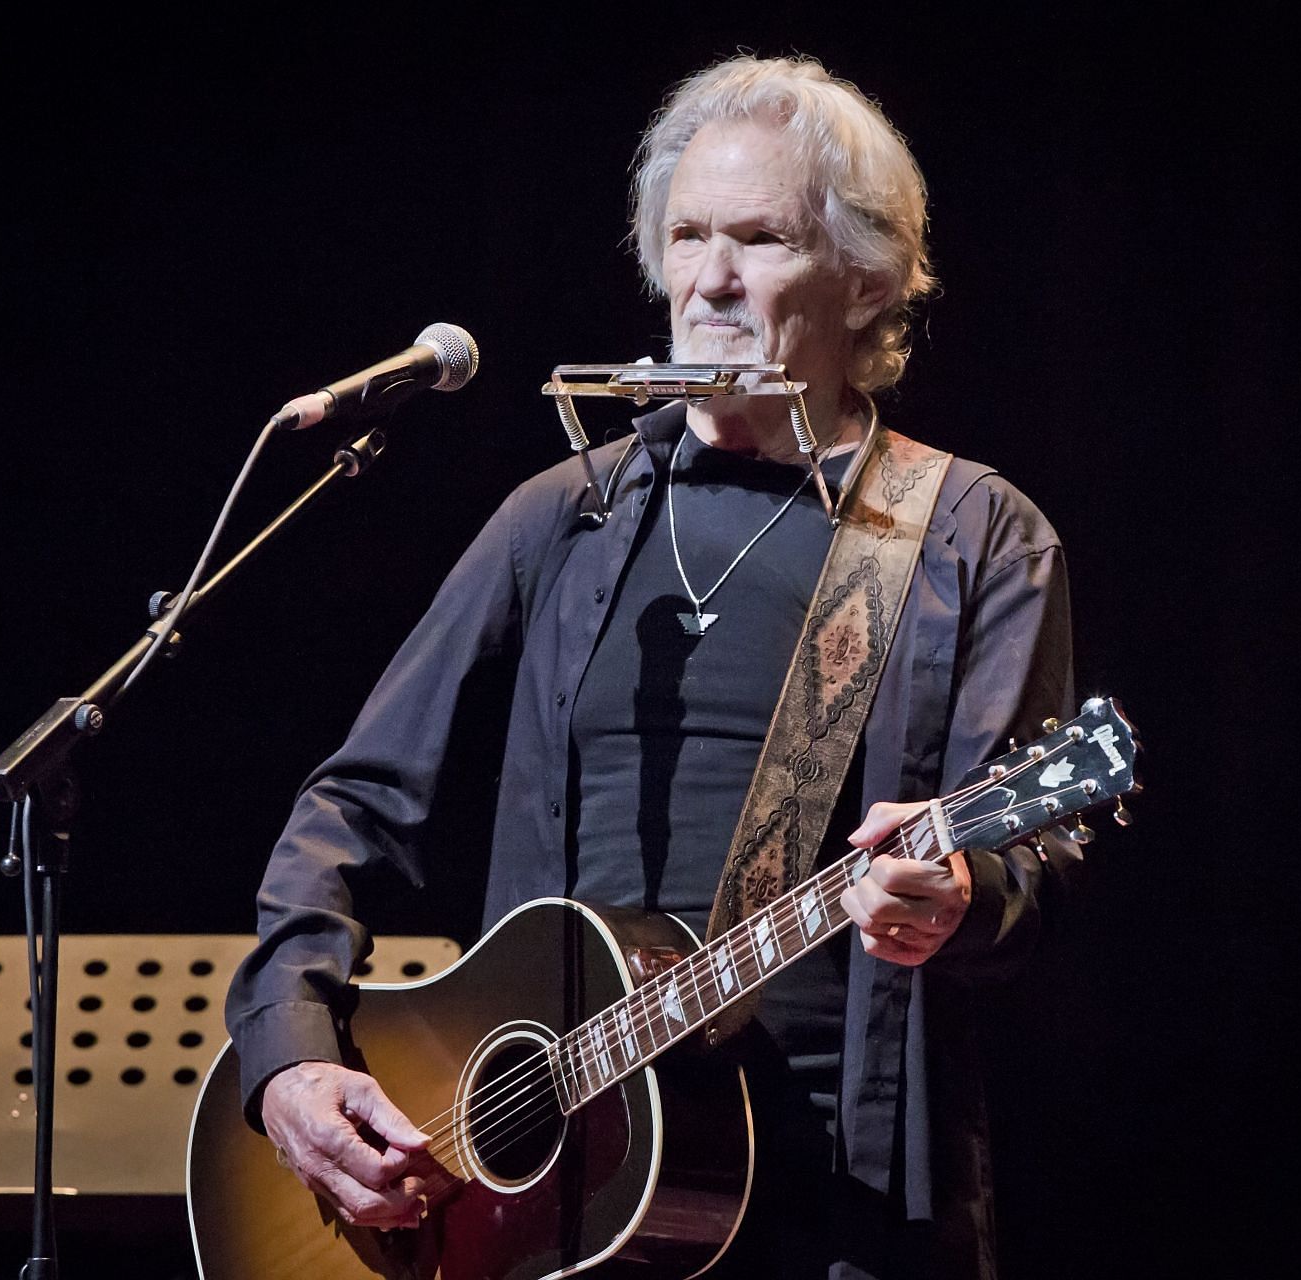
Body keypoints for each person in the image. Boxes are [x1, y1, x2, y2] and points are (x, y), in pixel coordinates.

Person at [226, 55, 1076, 1279]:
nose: (710, 280)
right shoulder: (559, 516)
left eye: (762, 239)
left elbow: (1032, 864)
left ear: (867, 280)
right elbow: (354, 804)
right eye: (687, 235)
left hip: (840, 1209)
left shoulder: (966, 533)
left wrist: (964, 889)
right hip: (538, 1204)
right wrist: (294, 1051)